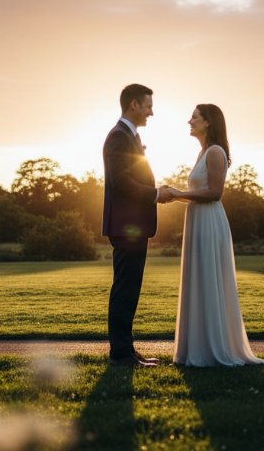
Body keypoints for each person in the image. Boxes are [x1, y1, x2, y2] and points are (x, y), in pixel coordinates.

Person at [162, 104, 264, 367]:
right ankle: (197, 347)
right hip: (198, 219)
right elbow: (200, 193)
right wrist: (175, 197)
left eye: (194, 117)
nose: (189, 121)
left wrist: (176, 193)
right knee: (200, 279)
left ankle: (216, 349)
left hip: (209, 222)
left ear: (208, 122)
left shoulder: (216, 152)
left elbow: (215, 193)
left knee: (209, 278)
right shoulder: (202, 153)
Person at [102, 83, 171, 367]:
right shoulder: (118, 137)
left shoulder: (127, 136)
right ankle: (120, 354)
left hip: (132, 225)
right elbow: (123, 182)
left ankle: (126, 351)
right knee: (125, 288)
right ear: (133, 105)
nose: (151, 113)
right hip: (127, 225)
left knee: (130, 288)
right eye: (148, 106)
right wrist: (156, 194)